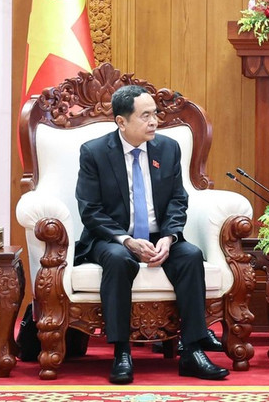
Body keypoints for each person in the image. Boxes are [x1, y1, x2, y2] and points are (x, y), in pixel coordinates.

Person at [74, 85, 229, 383]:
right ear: (122, 122)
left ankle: (193, 351)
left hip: (160, 236)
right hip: (113, 238)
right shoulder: (95, 152)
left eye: (155, 113)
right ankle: (122, 352)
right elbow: (90, 210)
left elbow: (177, 200)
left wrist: (169, 238)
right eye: (145, 116)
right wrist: (127, 240)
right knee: (120, 260)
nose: (154, 121)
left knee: (191, 256)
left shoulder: (168, 148)